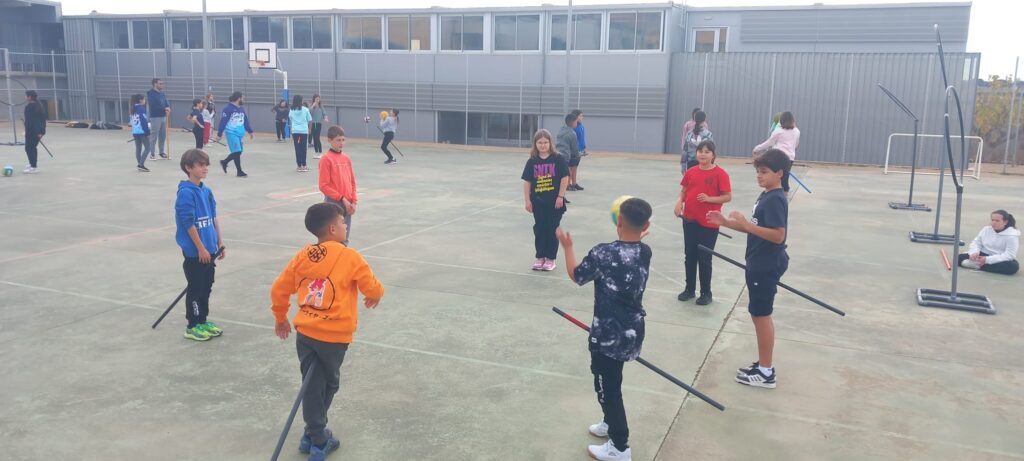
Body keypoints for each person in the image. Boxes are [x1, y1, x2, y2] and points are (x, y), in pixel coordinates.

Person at [271, 202, 384, 461]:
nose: (346, 226)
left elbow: (279, 288)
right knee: (326, 384)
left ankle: (312, 432)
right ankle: (318, 438)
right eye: (343, 222)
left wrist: (280, 318)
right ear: (332, 229)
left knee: (312, 384)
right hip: (333, 337)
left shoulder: (303, 255)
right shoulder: (350, 256)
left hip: (306, 334)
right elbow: (372, 287)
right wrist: (376, 295)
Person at [554, 197, 653, 461]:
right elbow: (635, 242)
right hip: (632, 331)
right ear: (645, 226)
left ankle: (619, 447)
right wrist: (638, 232)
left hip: (608, 335)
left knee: (608, 387)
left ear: (618, 221)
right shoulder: (645, 251)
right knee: (611, 381)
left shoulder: (603, 253)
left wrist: (567, 247)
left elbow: (576, 275)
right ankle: (610, 421)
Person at [708, 149, 790, 389]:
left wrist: (745, 224)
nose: (759, 176)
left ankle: (766, 372)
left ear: (779, 173)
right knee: (758, 314)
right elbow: (754, 227)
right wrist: (727, 222)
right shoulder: (766, 195)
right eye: (758, 172)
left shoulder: (775, 199)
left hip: (765, 263)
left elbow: (778, 235)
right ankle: (764, 364)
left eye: (764, 172)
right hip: (759, 261)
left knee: (761, 315)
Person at [174, 149, 226, 342]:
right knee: (195, 288)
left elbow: (214, 218)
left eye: (206, 165)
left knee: (206, 286)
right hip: (195, 252)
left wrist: (219, 242)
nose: (205, 168)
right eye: (200, 165)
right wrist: (200, 248)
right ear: (188, 168)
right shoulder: (186, 193)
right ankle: (192, 325)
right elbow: (188, 223)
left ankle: (202, 320)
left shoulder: (206, 191)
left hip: (210, 249)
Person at [674, 140, 732, 305]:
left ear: (713, 155)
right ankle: (689, 289)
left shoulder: (720, 174)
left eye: (707, 151)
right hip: (689, 219)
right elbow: (684, 191)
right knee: (690, 255)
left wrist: (709, 199)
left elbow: (727, 196)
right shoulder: (691, 172)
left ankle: (706, 293)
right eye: (700, 151)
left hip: (709, 222)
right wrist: (679, 202)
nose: (703, 154)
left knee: (705, 258)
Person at [522, 129, 569, 271]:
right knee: (540, 229)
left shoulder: (557, 159)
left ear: (550, 143)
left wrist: (560, 196)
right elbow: (527, 181)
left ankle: (550, 258)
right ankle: (540, 256)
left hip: (554, 202)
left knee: (552, 229)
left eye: (545, 142)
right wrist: (527, 200)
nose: (543, 145)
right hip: (538, 202)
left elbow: (565, 178)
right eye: (539, 143)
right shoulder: (532, 161)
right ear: (535, 144)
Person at [318, 126, 357, 245]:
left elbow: (352, 182)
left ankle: (342, 256)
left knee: (344, 239)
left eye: (343, 140)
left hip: (347, 204)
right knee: (332, 239)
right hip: (333, 204)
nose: (341, 143)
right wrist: (341, 198)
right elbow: (323, 186)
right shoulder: (326, 159)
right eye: (338, 140)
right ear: (329, 140)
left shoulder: (346, 158)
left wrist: (354, 201)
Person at [958, 210, 1019, 275]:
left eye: (997, 221)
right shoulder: (986, 229)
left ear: (1005, 222)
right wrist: (974, 253)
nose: (994, 223)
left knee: (1013, 267)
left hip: (998, 258)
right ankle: (980, 265)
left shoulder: (1012, 236)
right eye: (992, 220)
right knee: (958, 258)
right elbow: (976, 243)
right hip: (982, 255)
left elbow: (1009, 255)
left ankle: (977, 265)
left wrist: (987, 260)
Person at [753, 111, 800, 193]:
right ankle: (784, 196)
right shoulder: (797, 131)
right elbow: (796, 145)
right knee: (784, 178)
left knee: (774, 178)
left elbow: (769, 142)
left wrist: (757, 149)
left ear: (781, 120)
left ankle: (774, 194)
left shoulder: (779, 131)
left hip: (777, 157)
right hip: (790, 158)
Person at [216, 91, 254, 178]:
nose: (243, 99)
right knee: (237, 151)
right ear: (238, 98)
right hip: (231, 133)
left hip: (239, 134)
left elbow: (245, 120)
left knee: (239, 152)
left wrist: (250, 131)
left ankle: (224, 162)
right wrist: (219, 134)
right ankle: (239, 172)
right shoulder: (228, 109)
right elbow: (223, 121)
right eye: (242, 98)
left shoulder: (241, 108)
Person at [22, 90, 46, 174]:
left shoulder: (30, 107)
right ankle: (32, 164)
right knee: (31, 148)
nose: (25, 97)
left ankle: (33, 167)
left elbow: (31, 121)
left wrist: (38, 132)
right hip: (37, 131)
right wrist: (42, 131)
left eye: (26, 96)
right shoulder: (38, 105)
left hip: (33, 131)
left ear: (30, 97)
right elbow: (42, 120)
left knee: (30, 148)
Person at [147, 78, 170, 159]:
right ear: (155, 84)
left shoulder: (162, 93)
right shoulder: (151, 93)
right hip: (155, 117)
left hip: (163, 116)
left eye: (162, 83)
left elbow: (166, 102)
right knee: (154, 135)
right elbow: (153, 105)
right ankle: (152, 153)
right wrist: (164, 108)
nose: (162, 85)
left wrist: (168, 107)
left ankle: (161, 152)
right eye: (160, 83)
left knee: (162, 135)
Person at [289, 95, 313, 172]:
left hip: (295, 131)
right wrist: (310, 129)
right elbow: (310, 120)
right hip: (303, 131)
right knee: (303, 148)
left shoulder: (291, 110)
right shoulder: (305, 109)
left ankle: (299, 166)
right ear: (300, 101)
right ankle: (304, 165)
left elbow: (291, 118)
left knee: (297, 148)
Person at [555, 113, 580, 186]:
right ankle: (567, 185)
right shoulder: (572, 133)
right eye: (576, 122)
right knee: (567, 171)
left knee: (560, 172)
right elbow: (574, 148)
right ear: (573, 122)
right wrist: (578, 155)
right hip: (566, 155)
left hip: (557, 154)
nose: (576, 123)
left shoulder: (561, 130)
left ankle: (568, 184)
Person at [129, 93, 151, 172]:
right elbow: (143, 121)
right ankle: (141, 165)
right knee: (148, 148)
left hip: (135, 132)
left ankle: (140, 164)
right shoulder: (141, 109)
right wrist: (147, 132)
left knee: (138, 149)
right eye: (144, 99)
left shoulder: (132, 109)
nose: (145, 101)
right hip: (142, 132)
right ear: (140, 100)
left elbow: (131, 122)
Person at [569, 109, 587, 191]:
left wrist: (584, 148)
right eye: (580, 116)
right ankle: (568, 184)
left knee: (575, 167)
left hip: (580, 150)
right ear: (576, 117)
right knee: (570, 168)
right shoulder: (573, 127)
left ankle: (574, 183)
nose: (582, 117)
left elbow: (582, 138)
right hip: (573, 151)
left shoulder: (581, 126)